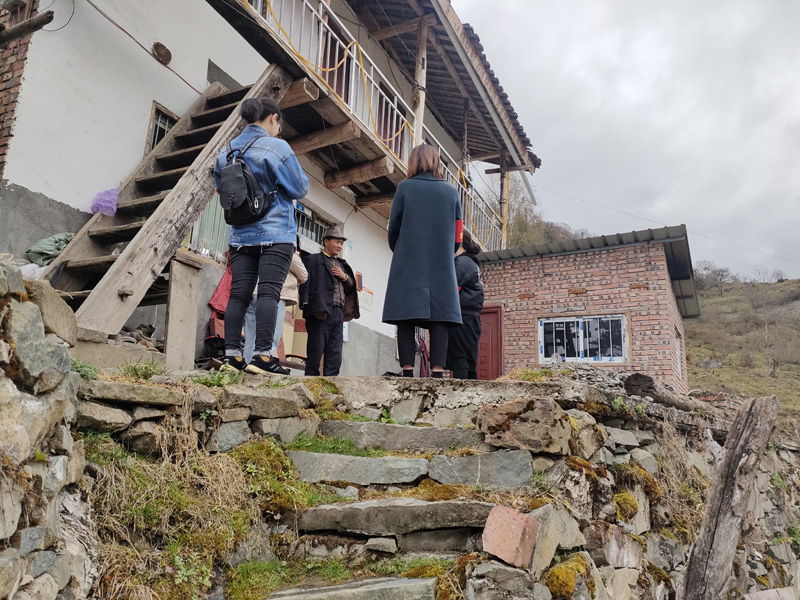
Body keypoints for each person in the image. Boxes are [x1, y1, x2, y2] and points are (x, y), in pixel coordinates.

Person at [213, 97, 309, 374]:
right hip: (275, 232)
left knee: (239, 295)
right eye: (279, 124)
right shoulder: (277, 147)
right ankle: (262, 358)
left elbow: (223, 190)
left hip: (240, 234)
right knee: (269, 291)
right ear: (273, 118)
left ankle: (232, 357)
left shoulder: (227, 151)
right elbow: (300, 188)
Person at [382, 144, 463, 378]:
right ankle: (437, 373)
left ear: (413, 162)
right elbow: (458, 234)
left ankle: (407, 371)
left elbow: (393, 228)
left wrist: (402, 251)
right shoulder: (451, 193)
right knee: (441, 317)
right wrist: (446, 252)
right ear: (437, 162)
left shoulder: (405, 188)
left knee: (405, 315)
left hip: (408, 261)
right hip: (442, 262)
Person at [300, 226, 359, 376]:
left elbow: (351, 287)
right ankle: (310, 380)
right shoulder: (313, 260)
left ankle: (331, 382)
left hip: (338, 312)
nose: (339, 246)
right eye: (337, 242)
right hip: (320, 310)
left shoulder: (342, 265)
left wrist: (344, 277)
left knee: (335, 351)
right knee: (315, 349)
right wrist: (307, 307)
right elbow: (304, 283)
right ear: (326, 241)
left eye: (341, 243)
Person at [243, 241, 308, 374]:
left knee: (251, 335)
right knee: (271, 335)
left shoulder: (260, 247)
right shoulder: (287, 250)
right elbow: (304, 275)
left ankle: (247, 365)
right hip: (274, 296)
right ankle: (262, 362)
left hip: (252, 293)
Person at [446, 229, 484, 379]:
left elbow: (450, 289)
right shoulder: (471, 263)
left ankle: (459, 392)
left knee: (460, 358)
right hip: (471, 318)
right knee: (469, 360)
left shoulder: (462, 263)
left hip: (463, 317)